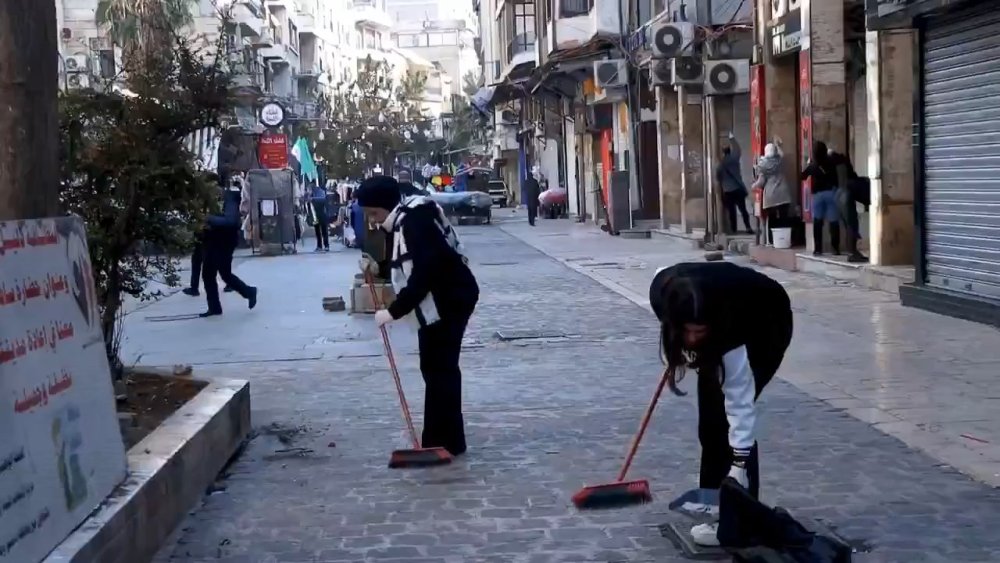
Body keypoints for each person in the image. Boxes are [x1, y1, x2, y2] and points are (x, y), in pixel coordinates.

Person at [648, 261, 792, 547]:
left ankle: (738, 520)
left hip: (766, 321)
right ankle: (715, 504)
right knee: (709, 424)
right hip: (727, 309)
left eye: (699, 333)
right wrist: (680, 350)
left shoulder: (730, 333)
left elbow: (739, 401)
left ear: (711, 326)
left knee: (722, 420)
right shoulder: (663, 293)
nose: (691, 338)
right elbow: (678, 333)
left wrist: (739, 461)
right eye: (686, 330)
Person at [355, 175, 479, 457]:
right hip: (442, 298)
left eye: (374, 213)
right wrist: (379, 268)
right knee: (435, 368)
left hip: (449, 299)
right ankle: (442, 440)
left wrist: (394, 311)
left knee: (440, 369)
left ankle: (443, 443)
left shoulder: (413, 222)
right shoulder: (404, 220)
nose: (373, 220)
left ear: (387, 206)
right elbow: (407, 259)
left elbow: (425, 271)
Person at [201, 186, 259, 317]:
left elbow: (230, 221)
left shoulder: (229, 199)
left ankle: (247, 292)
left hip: (223, 242)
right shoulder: (211, 200)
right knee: (216, 274)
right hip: (213, 240)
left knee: (217, 274)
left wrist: (208, 219)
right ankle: (247, 293)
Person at [827, 147, 868, 263]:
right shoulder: (843, 162)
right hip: (845, 194)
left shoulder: (830, 166)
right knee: (851, 224)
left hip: (838, 194)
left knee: (848, 224)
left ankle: (851, 251)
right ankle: (852, 253)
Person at [800, 141, 840, 256]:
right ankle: (835, 248)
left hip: (818, 195)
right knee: (833, 221)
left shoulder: (813, 165)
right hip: (831, 194)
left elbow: (802, 176)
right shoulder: (832, 161)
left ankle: (818, 248)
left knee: (818, 221)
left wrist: (806, 162)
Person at [753, 137, 794, 245]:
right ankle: (785, 240)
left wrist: (753, 185)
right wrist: (777, 145)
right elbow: (782, 154)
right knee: (784, 218)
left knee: (772, 218)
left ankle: (773, 241)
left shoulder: (762, 166)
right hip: (783, 193)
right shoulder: (779, 161)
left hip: (771, 195)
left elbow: (761, 182)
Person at [716, 132, 753, 235]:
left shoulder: (720, 165)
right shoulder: (734, 159)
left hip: (728, 191)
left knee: (731, 212)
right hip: (737, 189)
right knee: (743, 210)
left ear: (723, 153)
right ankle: (748, 227)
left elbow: (718, 179)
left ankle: (733, 230)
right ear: (729, 151)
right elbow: (738, 149)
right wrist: (732, 138)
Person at [310, 183, 331, 252]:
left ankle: (326, 245)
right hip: (314, 215)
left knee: (324, 230)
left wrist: (312, 199)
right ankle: (319, 246)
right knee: (317, 230)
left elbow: (322, 200)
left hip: (322, 213)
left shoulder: (321, 191)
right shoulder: (311, 192)